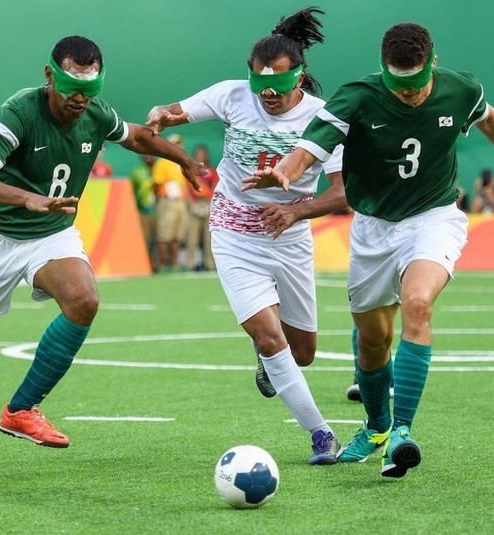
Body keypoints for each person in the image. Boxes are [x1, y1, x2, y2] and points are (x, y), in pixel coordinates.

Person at [244, 22, 494, 477]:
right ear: (383, 68)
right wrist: (285, 173)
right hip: (372, 229)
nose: (409, 94)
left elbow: (490, 119)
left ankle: (401, 432)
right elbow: (308, 150)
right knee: (372, 342)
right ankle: (376, 427)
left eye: (416, 83)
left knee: (417, 303)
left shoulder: (460, 89)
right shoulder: (356, 98)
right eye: (399, 85)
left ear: (432, 63)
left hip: (433, 218)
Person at [0, 35, 204, 471]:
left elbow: (135, 137)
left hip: (51, 235)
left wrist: (180, 158)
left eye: (90, 89)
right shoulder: (20, 110)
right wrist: (25, 198)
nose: (80, 99)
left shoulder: (95, 112)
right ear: (50, 75)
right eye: (72, 87)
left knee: (83, 299)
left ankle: (21, 408)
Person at [147, 7, 348, 464]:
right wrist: (160, 114)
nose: (268, 93)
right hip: (233, 233)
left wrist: (296, 211)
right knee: (270, 337)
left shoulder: (325, 119)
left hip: (290, 238)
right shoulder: (232, 95)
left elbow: (343, 193)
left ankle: (266, 355)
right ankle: (321, 434)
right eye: (260, 82)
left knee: (303, 352)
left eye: (279, 83)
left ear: (300, 76)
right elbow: (174, 111)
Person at [152, 133, 190, 272]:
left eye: (179, 143)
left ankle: (174, 265)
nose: (178, 146)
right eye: (175, 143)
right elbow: (156, 184)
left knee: (178, 234)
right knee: (164, 234)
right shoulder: (162, 162)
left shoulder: (181, 162)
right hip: (167, 201)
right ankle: (162, 265)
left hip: (181, 201)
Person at [185, 144, 219, 271]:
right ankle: (190, 264)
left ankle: (210, 264)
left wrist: (211, 203)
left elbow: (215, 186)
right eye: (198, 154)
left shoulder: (211, 171)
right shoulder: (191, 170)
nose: (200, 156)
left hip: (207, 203)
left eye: (202, 154)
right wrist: (192, 204)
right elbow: (187, 188)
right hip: (195, 203)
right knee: (192, 237)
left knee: (208, 237)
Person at [130, 154, 158, 269]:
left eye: (150, 153)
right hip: (144, 211)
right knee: (145, 240)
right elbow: (132, 192)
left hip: (160, 211)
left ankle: (160, 266)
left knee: (160, 240)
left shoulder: (160, 168)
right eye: (145, 154)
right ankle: (146, 266)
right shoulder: (137, 172)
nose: (148, 156)